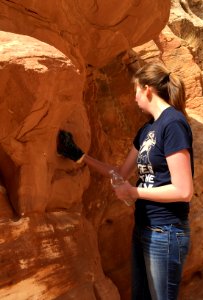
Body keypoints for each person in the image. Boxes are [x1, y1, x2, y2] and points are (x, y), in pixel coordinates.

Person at [57, 62, 194, 300]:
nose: (134, 98)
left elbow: (184, 190)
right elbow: (120, 172)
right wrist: (81, 156)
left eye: (136, 91)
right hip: (143, 229)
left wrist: (134, 193)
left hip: (166, 232)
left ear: (148, 89)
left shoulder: (173, 124)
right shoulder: (147, 130)